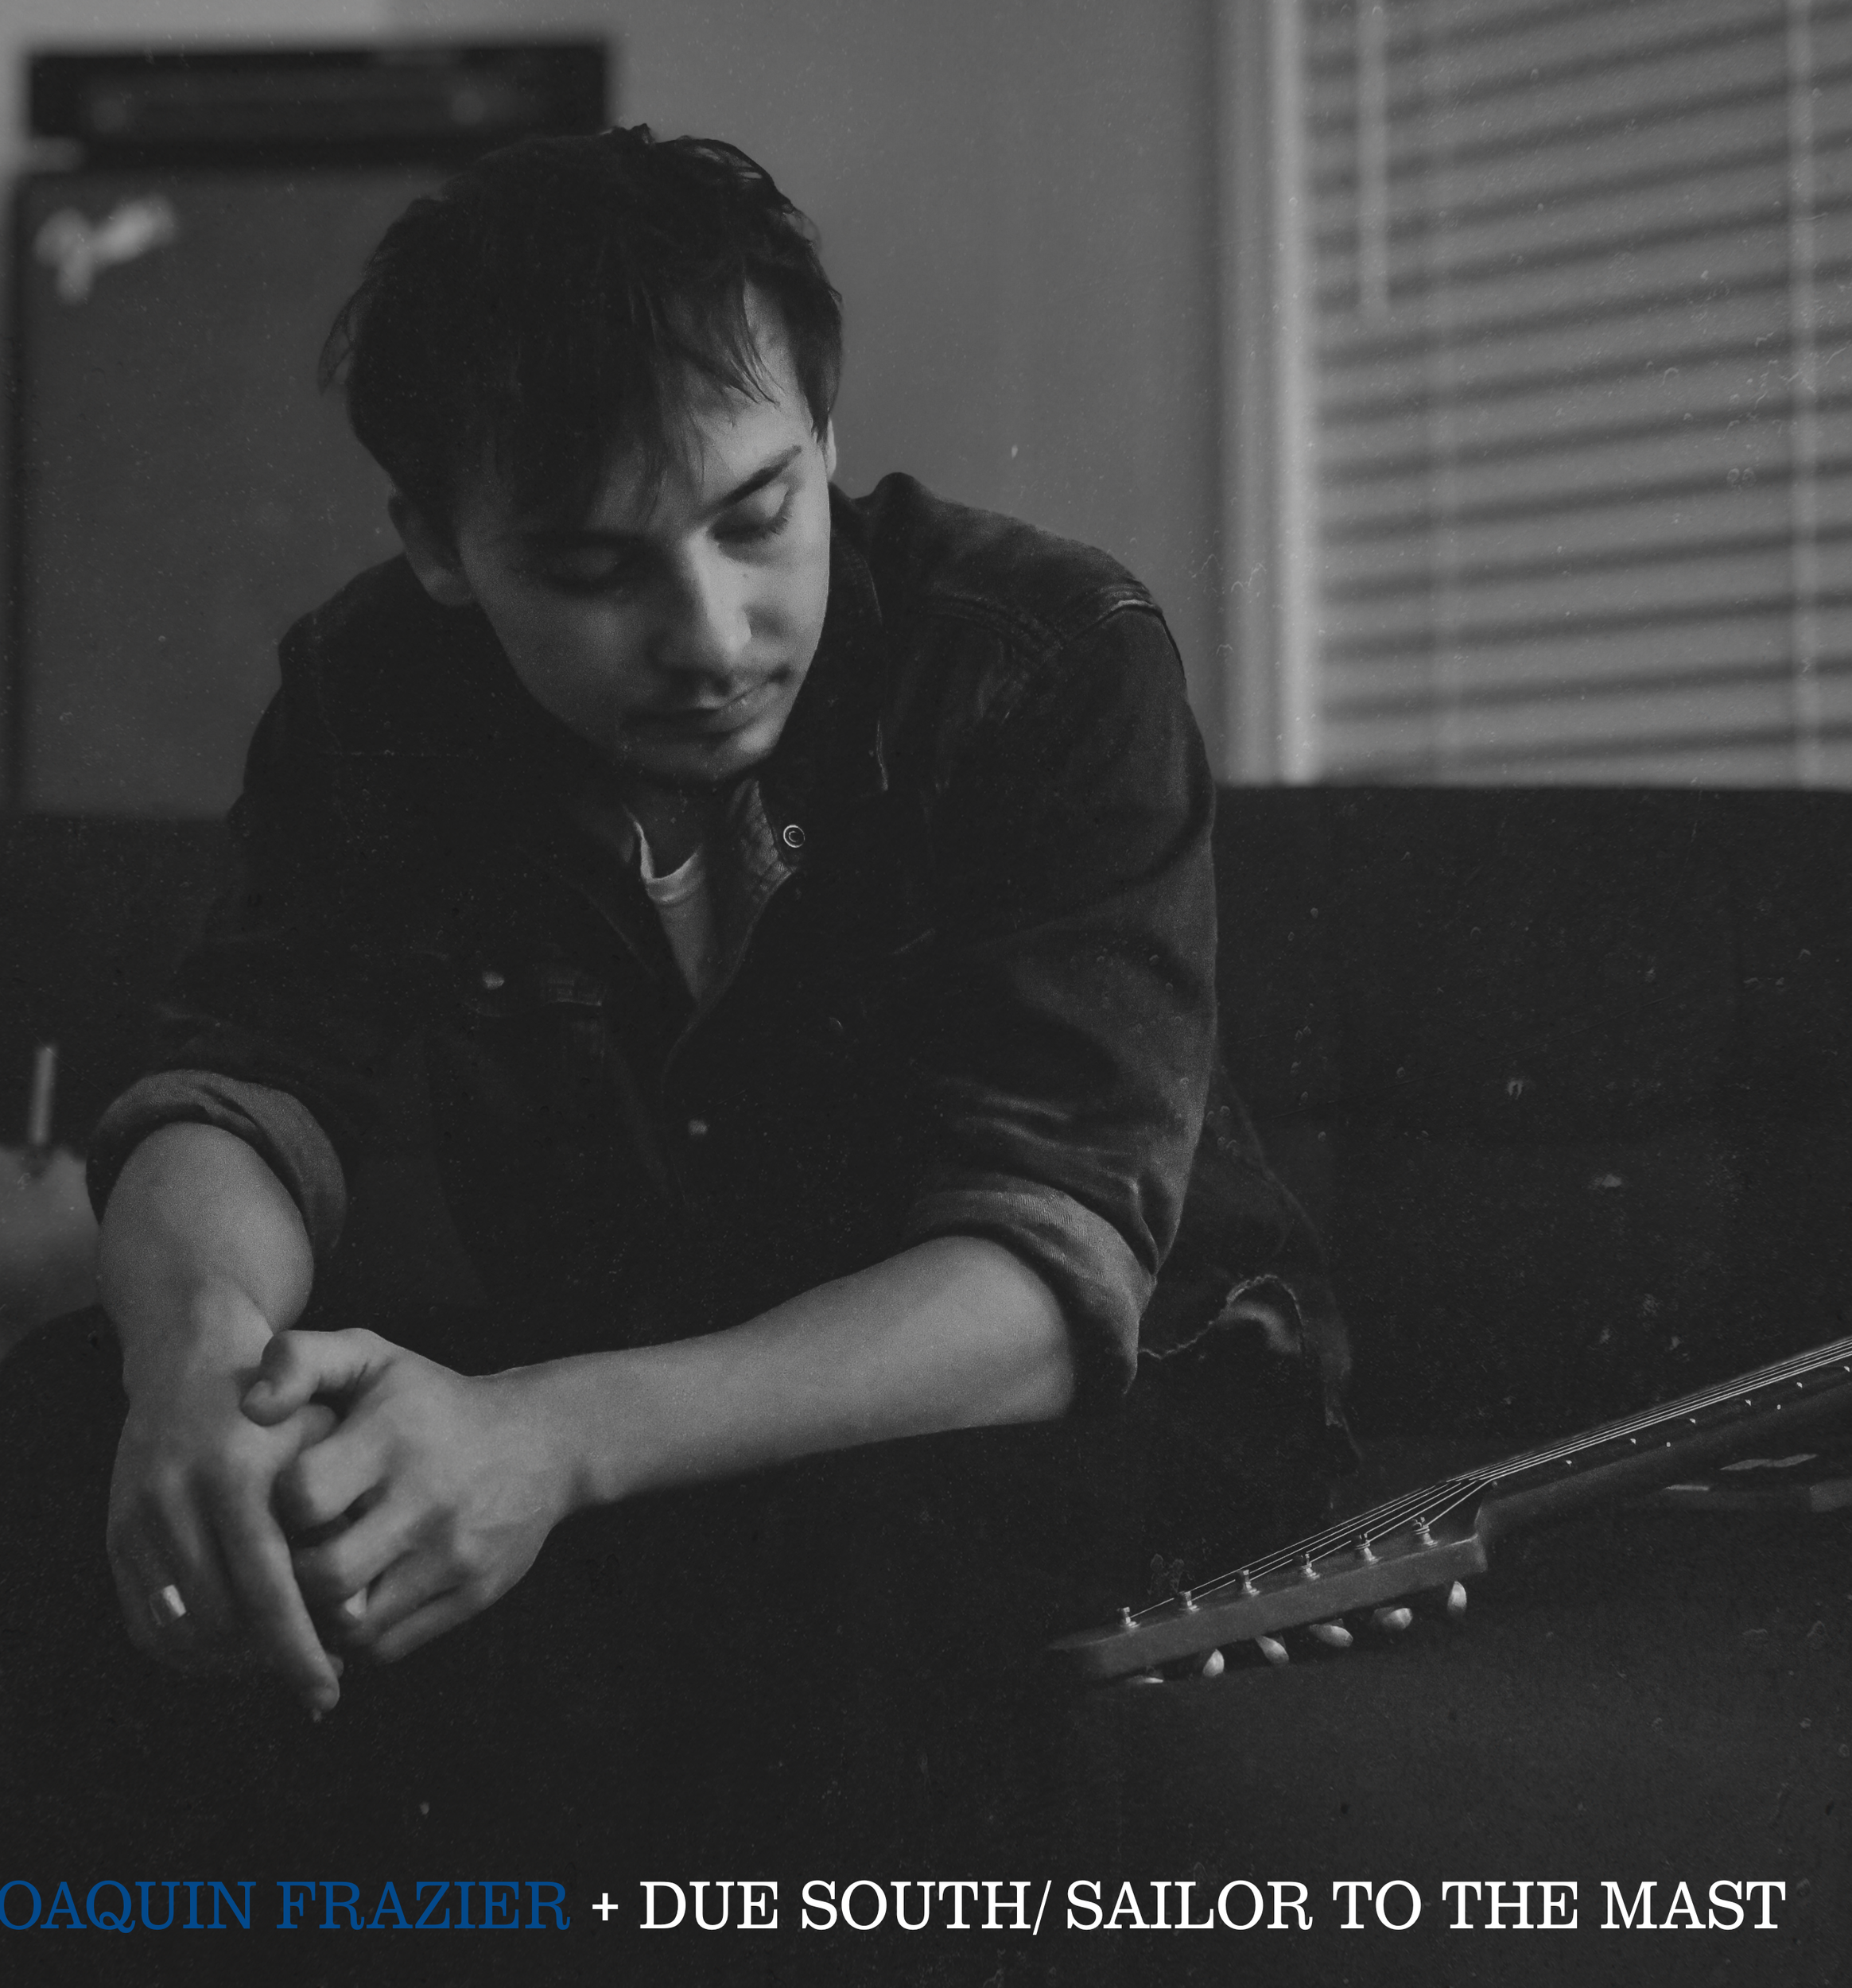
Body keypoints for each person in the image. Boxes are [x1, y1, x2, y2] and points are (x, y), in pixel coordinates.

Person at [87, 129, 1345, 1858]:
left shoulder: (1050, 658)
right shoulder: (369, 690)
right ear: (440, 546)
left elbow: (1046, 1267)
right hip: (647, 1386)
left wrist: (547, 1433)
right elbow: (247, 1081)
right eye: (593, 572)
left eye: (759, 515)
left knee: (837, 1589)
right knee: (160, 1470)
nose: (711, 630)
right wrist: (193, 1374)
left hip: (1098, 1399)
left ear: (824, 437)